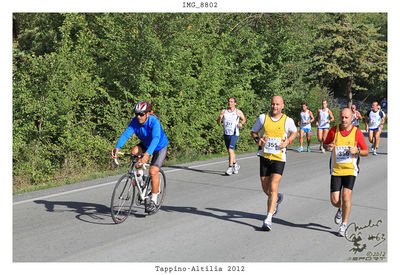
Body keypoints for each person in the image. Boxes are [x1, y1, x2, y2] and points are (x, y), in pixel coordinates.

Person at [111, 101, 169, 214]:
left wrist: (147, 154)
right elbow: (126, 134)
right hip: (146, 144)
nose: (138, 117)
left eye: (141, 114)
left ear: (147, 113)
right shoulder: (135, 122)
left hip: (159, 147)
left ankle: (153, 200)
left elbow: (156, 138)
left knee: (153, 171)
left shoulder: (154, 122)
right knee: (134, 151)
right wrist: (117, 147)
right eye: (136, 114)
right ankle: (141, 182)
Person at [251, 96, 297, 231]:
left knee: (273, 185)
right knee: (266, 189)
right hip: (264, 157)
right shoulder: (262, 118)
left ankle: (268, 219)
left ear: (282, 105)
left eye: (277, 104)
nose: (274, 107)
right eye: (273, 104)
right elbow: (253, 132)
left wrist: (287, 141)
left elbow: (294, 132)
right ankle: (276, 199)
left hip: (279, 158)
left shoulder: (287, 120)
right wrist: (258, 140)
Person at [323, 108, 368, 237]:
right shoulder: (334, 130)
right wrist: (328, 147)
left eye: (346, 117)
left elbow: (366, 152)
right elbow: (325, 144)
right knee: (334, 200)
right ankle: (341, 208)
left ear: (352, 118)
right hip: (336, 170)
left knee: (346, 197)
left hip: (350, 170)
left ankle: (343, 224)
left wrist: (357, 151)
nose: (343, 120)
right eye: (342, 117)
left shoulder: (357, 132)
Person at [217, 97, 246, 175]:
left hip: (234, 134)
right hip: (226, 133)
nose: (230, 103)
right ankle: (235, 164)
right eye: (229, 101)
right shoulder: (224, 111)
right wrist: (219, 118)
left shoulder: (238, 112)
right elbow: (218, 123)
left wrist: (241, 123)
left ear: (235, 103)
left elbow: (244, 119)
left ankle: (230, 168)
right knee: (231, 151)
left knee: (230, 150)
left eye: (232, 102)